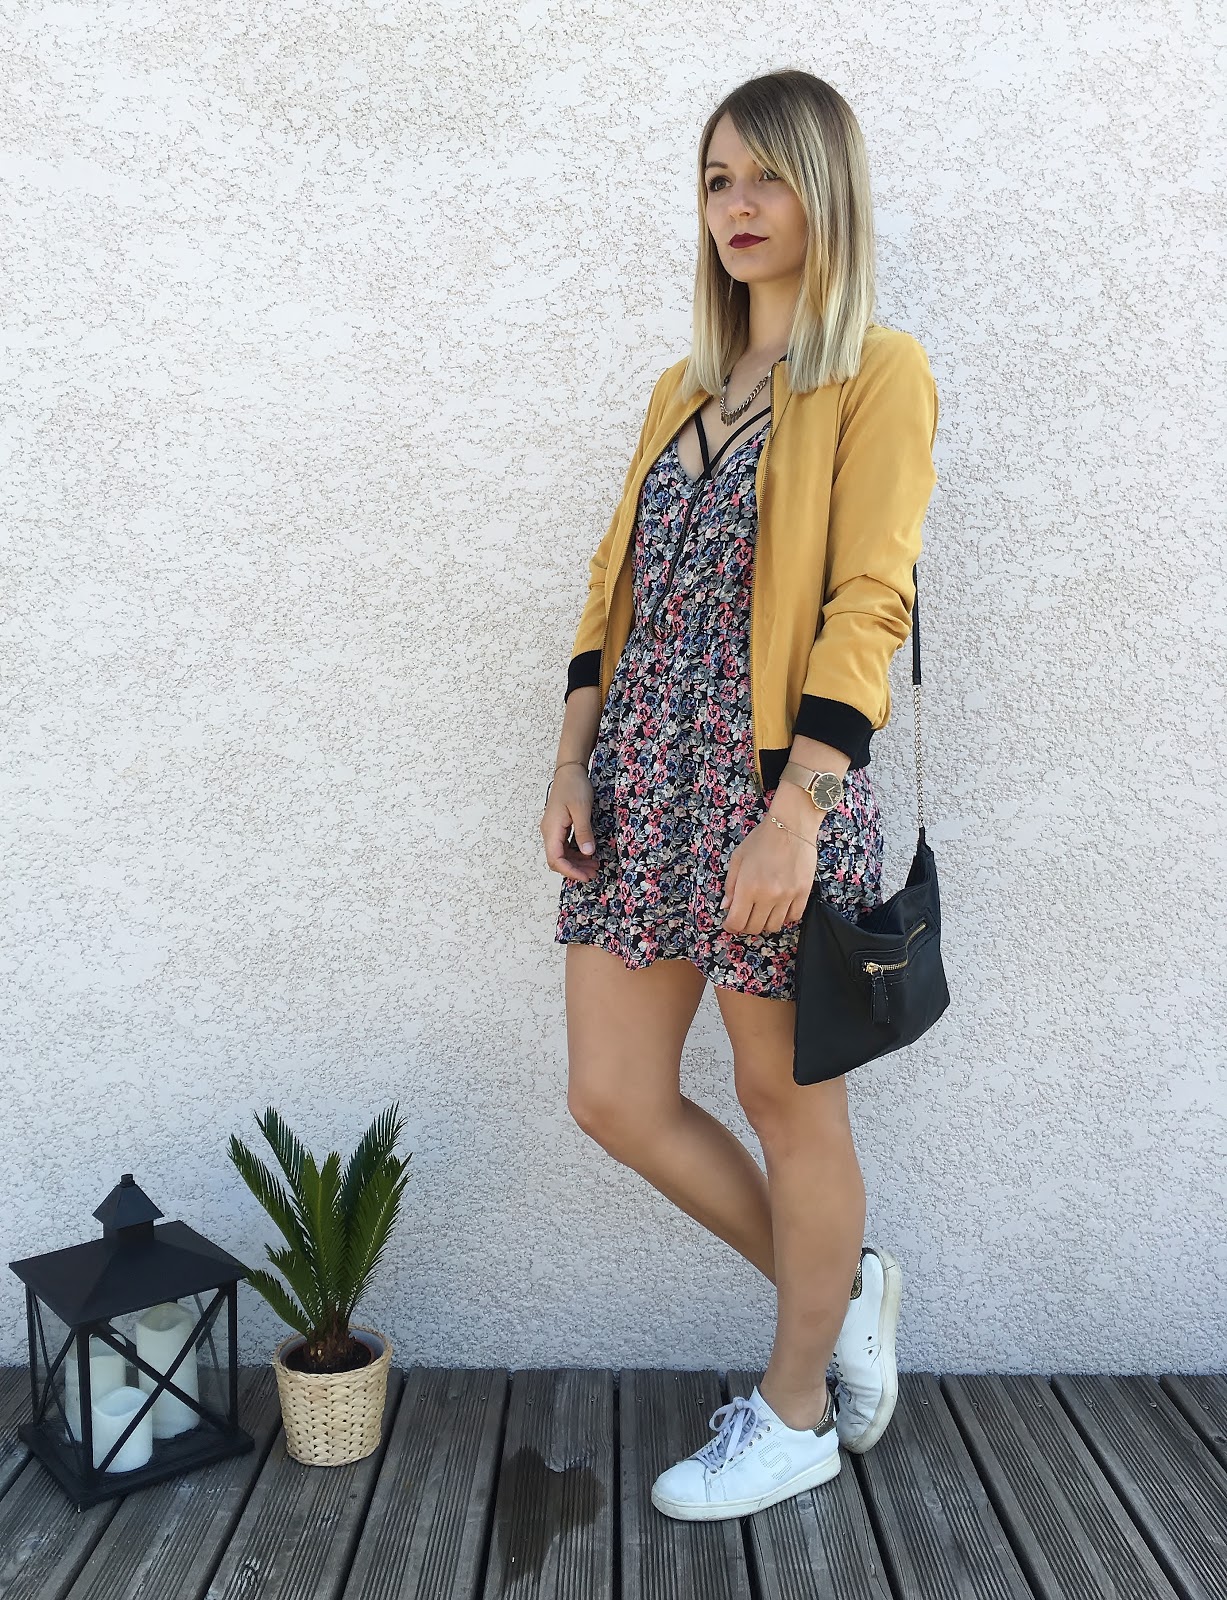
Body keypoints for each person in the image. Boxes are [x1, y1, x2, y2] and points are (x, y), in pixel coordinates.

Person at [538, 69, 940, 1522]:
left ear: (826, 192)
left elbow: (871, 599)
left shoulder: (876, 372)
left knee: (783, 1099)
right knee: (614, 1095)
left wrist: (797, 813)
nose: (739, 206)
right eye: (717, 180)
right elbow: (613, 587)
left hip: (775, 788)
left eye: (768, 176)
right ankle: (841, 1285)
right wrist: (572, 754)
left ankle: (794, 1413)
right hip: (641, 778)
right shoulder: (681, 391)